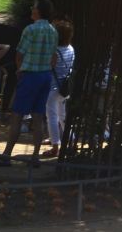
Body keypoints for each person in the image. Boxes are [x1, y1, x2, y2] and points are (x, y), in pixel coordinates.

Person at [0, 0, 57, 166]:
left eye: (34, 7)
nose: (31, 9)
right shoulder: (53, 30)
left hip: (30, 75)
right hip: (45, 76)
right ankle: (35, 156)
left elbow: (20, 52)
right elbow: (53, 57)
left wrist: (20, 69)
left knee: (17, 115)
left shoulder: (30, 30)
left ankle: (6, 155)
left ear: (38, 11)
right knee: (38, 117)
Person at [40, 19, 76, 158]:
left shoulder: (53, 51)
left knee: (52, 117)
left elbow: (49, 67)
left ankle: (55, 146)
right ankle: (71, 141)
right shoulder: (71, 49)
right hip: (65, 88)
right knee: (63, 116)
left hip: (53, 88)